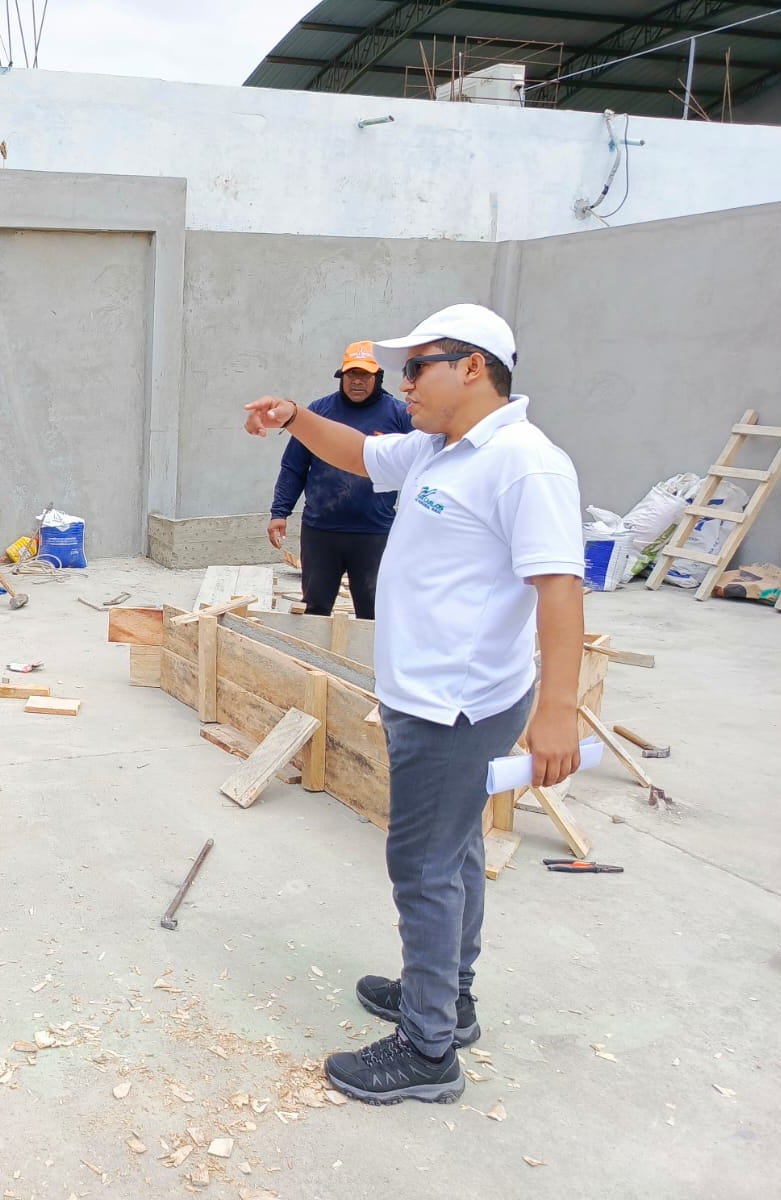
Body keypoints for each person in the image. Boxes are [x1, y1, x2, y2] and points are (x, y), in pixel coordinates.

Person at [244, 303, 584, 1106]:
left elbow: (560, 588)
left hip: (457, 704)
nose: (404, 384)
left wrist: (560, 710)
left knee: (424, 866)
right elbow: (358, 453)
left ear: (472, 367)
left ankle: (428, 1049)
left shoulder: (524, 463)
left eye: (417, 367)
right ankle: (448, 998)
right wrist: (294, 417)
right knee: (454, 850)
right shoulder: (440, 447)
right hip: (427, 693)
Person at [267, 341, 412, 618]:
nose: (357, 381)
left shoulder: (398, 415)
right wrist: (279, 512)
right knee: (315, 610)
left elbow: (419, 468)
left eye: (365, 375)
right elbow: (294, 466)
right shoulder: (319, 412)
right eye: (351, 374)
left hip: (374, 533)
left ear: (378, 378)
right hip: (321, 531)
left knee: (373, 613)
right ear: (341, 376)